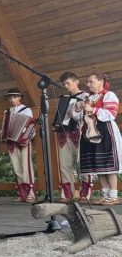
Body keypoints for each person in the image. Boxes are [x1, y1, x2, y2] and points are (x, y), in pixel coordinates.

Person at [73, 72, 122, 205]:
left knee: (108, 165)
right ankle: (105, 195)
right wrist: (79, 109)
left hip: (106, 132)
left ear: (101, 81)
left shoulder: (109, 95)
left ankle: (113, 195)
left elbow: (111, 114)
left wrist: (93, 110)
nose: (88, 84)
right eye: (88, 82)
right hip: (90, 132)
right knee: (98, 165)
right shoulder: (90, 97)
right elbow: (79, 117)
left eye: (91, 81)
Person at [54, 72, 90, 202]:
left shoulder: (86, 96)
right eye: (64, 84)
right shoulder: (64, 99)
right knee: (64, 164)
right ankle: (67, 193)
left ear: (76, 82)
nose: (66, 86)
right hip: (64, 133)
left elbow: (87, 114)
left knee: (82, 162)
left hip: (79, 131)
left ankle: (85, 192)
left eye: (68, 83)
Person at [0, 88, 36, 203]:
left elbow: (31, 125)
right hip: (11, 141)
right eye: (10, 97)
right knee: (16, 167)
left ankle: (31, 193)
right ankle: (22, 194)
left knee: (26, 166)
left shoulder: (26, 110)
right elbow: (5, 126)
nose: (11, 99)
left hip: (23, 141)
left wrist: (28, 137)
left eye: (14, 97)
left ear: (19, 97)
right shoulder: (7, 112)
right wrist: (1, 132)